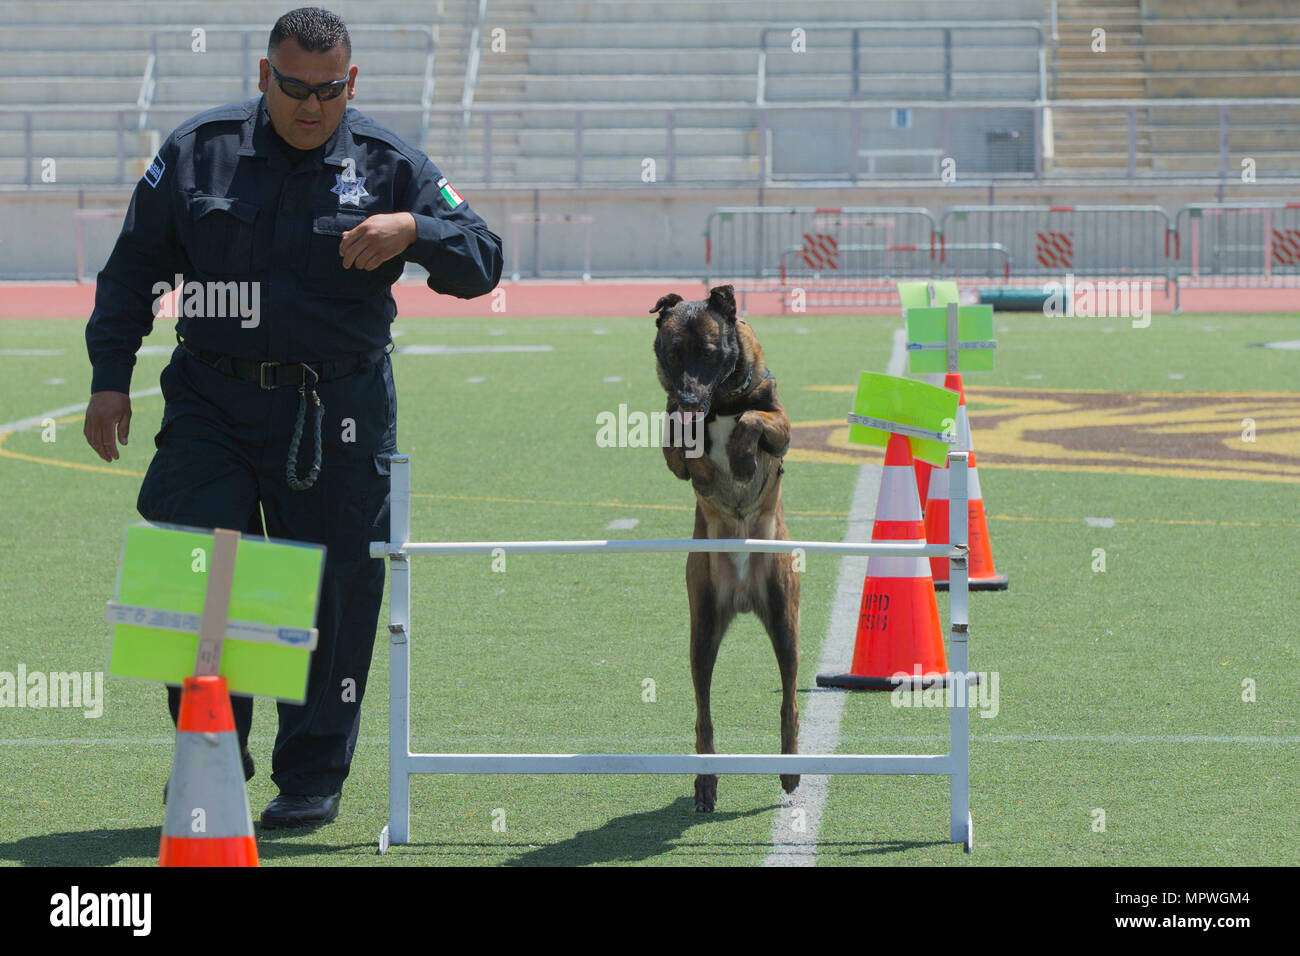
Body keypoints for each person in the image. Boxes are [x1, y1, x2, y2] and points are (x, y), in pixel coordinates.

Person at [83, 7, 502, 828]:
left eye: (328, 90)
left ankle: (311, 774)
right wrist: (108, 379)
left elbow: (483, 258)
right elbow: (132, 269)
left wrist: (414, 229)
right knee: (198, 574)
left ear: (351, 83)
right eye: (293, 87)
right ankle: (212, 752)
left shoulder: (387, 165)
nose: (310, 107)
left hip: (336, 407)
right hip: (213, 399)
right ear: (263, 76)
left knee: (332, 590)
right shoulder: (197, 151)